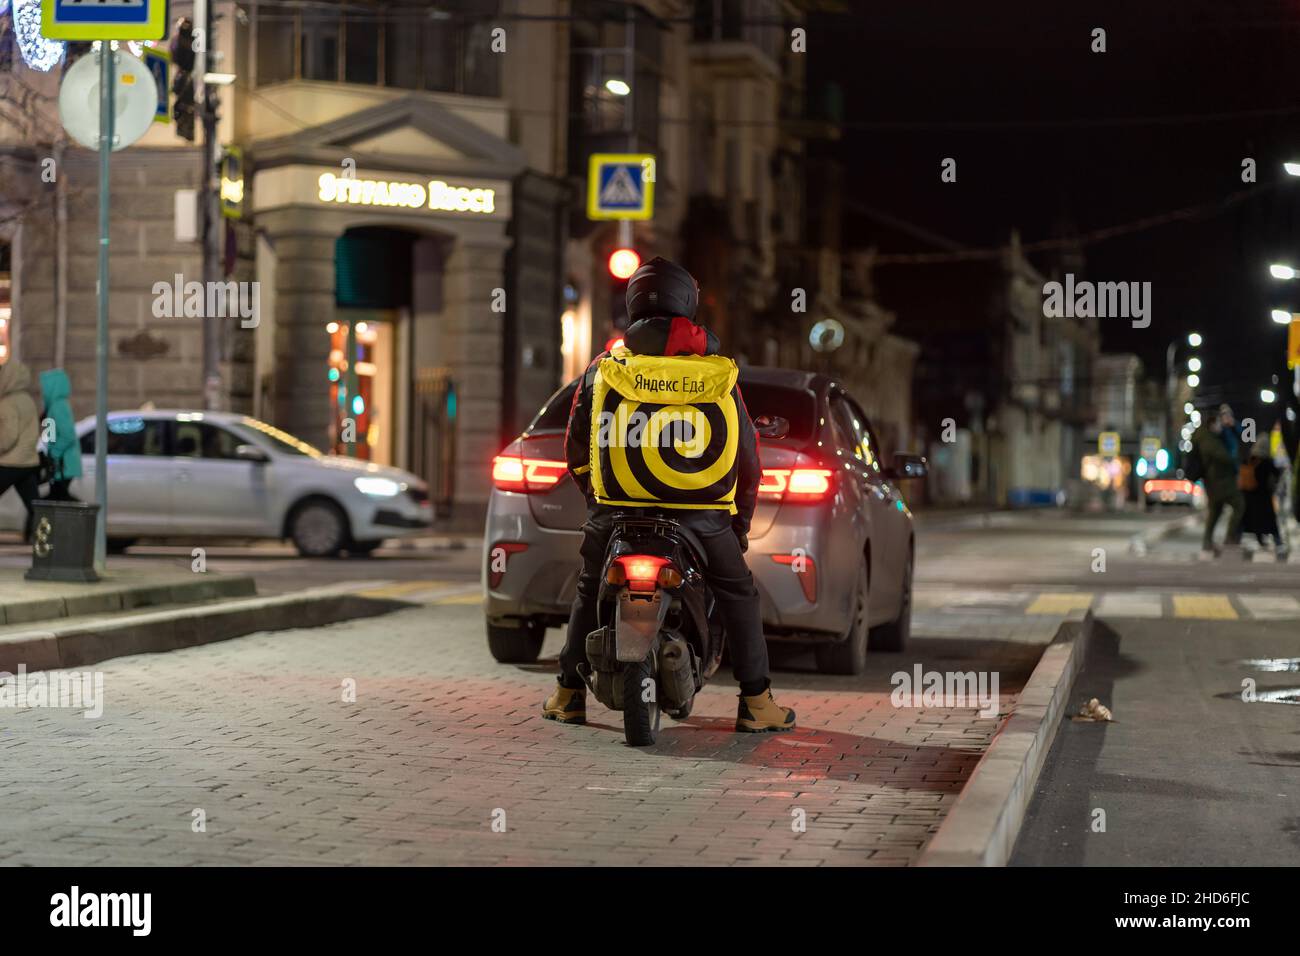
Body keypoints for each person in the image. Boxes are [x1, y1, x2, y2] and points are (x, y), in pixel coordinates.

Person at [544, 256, 796, 733]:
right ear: (688, 306)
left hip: (616, 516)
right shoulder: (717, 375)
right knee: (739, 593)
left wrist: (597, 498)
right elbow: (748, 459)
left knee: (588, 584)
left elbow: (577, 445)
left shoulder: (604, 371)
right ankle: (757, 702)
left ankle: (567, 695)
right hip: (701, 518)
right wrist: (737, 525)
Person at [1190, 403, 1243, 559]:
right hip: (1218, 480)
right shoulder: (1206, 437)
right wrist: (1234, 460)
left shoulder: (1213, 435)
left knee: (1215, 511)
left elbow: (1241, 434)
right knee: (1239, 504)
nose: (1221, 423)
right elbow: (1222, 456)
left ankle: (1208, 542)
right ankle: (1228, 538)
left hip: (1216, 480)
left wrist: (1232, 425)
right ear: (1211, 422)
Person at [0, 359, 41, 537]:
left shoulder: (8, 403)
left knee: (35, 505)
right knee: (35, 506)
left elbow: (8, 436)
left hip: (10, 462)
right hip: (28, 461)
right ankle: (46, 539)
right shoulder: (28, 401)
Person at [38, 368, 82, 501]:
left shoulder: (59, 406)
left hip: (63, 464)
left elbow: (67, 435)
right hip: (59, 465)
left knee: (58, 500)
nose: (43, 391)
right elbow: (50, 437)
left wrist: (54, 453)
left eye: (45, 387)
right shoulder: (53, 406)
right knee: (58, 499)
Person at [1240, 440, 1287, 558]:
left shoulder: (1249, 459)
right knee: (1271, 523)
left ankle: (1254, 542)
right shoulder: (1267, 461)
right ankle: (1278, 543)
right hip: (1264, 497)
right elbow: (1277, 474)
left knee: (1251, 522)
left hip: (1249, 497)